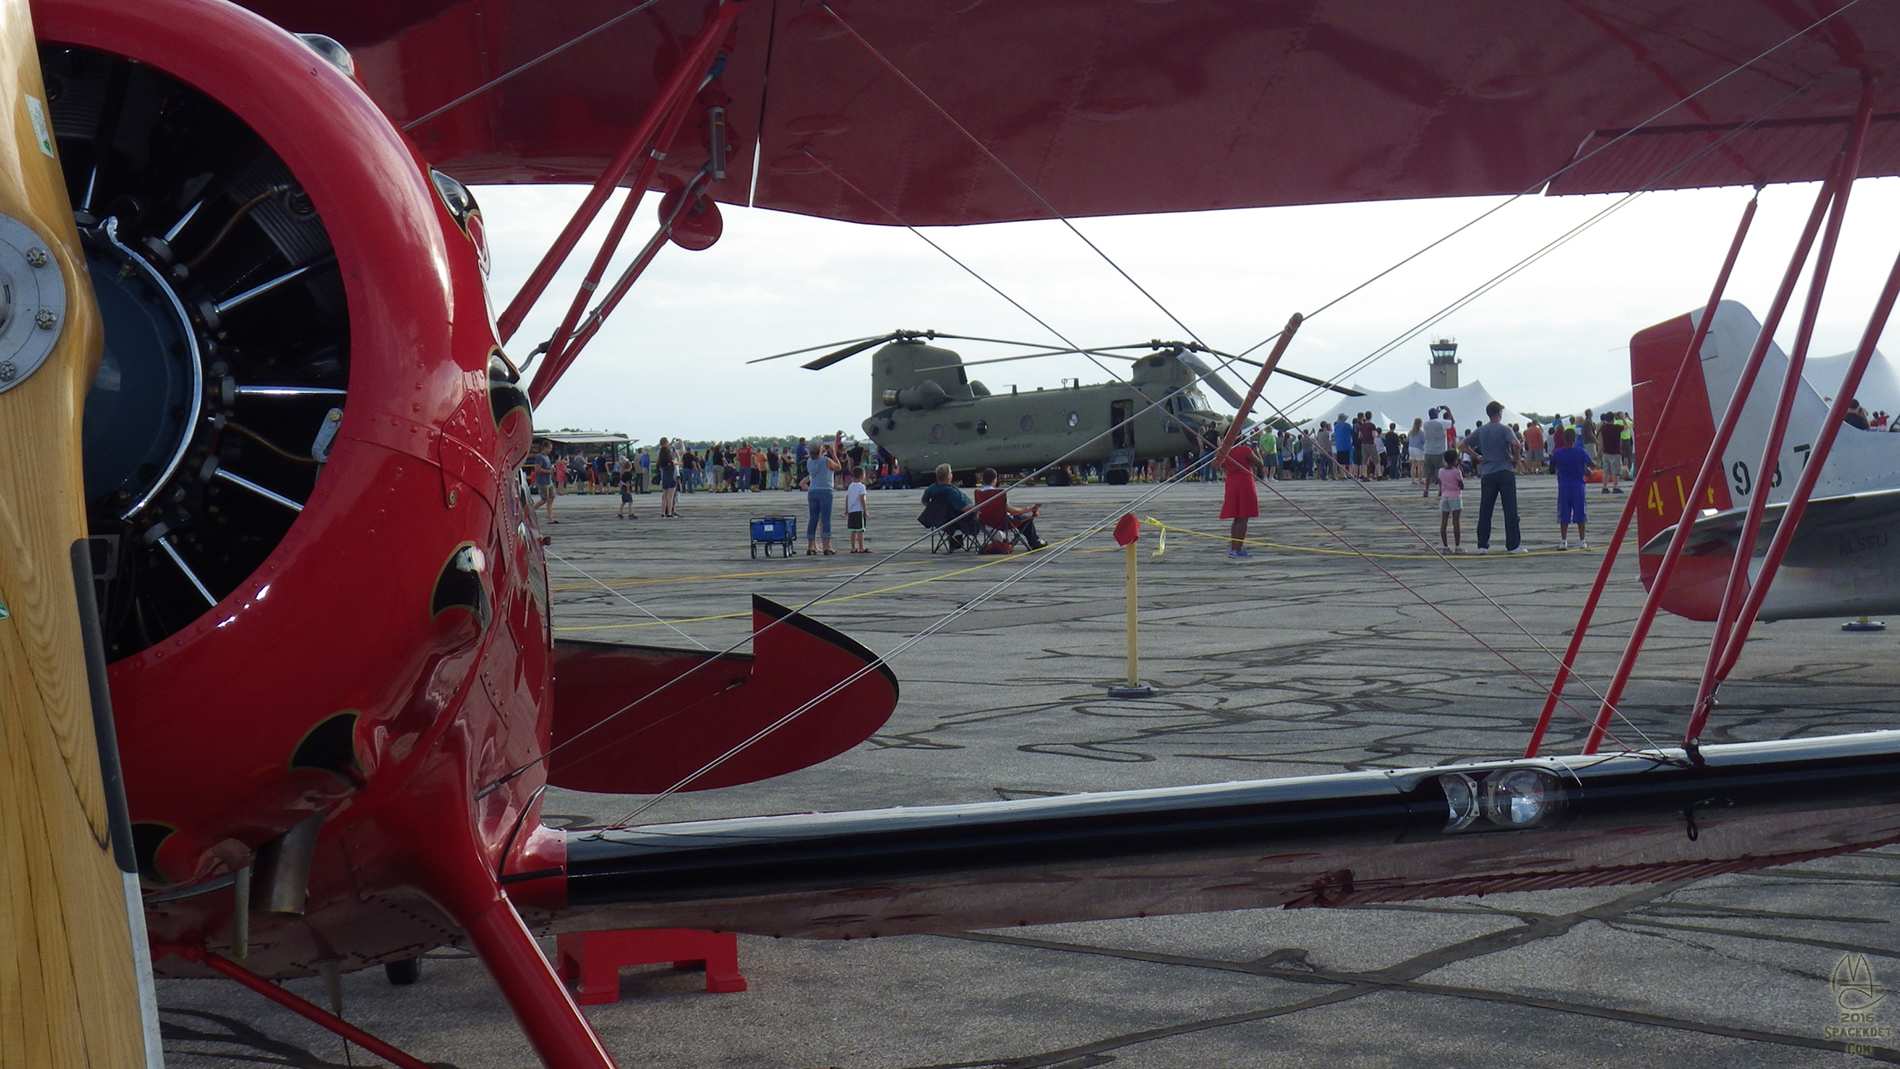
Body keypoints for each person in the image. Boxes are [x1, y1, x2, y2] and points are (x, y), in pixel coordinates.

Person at [1464, 401, 1525, 554]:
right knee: (1510, 509)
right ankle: (1512, 545)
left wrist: (1477, 457)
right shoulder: (1505, 429)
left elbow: (1463, 445)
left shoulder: (1481, 431)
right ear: (1499, 413)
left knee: (1485, 509)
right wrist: (1515, 459)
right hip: (1504, 469)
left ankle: (1482, 544)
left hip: (1488, 471)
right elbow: (1516, 444)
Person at [977, 468, 1046, 550]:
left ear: (983, 479)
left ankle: (1031, 540)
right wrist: (1023, 510)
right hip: (1003, 521)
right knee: (1026, 520)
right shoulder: (997, 493)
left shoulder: (979, 493)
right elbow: (1010, 510)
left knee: (1022, 519)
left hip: (986, 522)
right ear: (994, 480)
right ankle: (1034, 542)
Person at [1551, 428, 1595, 549]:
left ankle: (1563, 541)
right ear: (1574, 440)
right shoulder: (1580, 451)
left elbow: (1551, 466)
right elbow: (1593, 464)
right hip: (1578, 485)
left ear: (1563, 439)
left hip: (1564, 485)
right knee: (1580, 513)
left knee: (1563, 513)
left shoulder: (1558, 453)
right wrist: (1586, 469)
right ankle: (1582, 541)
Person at [920, 464, 978, 548]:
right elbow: (963, 508)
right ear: (948, 477)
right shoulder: (952, 491)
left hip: (940, 519)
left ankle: (954, 540)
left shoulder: (931, 489)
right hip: (958, 520)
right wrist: (977, 505)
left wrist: (936, 509)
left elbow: (924, 501)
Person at [1220, 438, 1260, 559]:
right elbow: (1260, 463)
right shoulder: (1245, 450)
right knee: (1243, 518)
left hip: (1231, 483)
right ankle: (1238, 549)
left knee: (1236, 518)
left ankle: (1234, 548)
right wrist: (1257, 451)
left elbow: (1219, 464)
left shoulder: (1225, 452)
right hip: (1244, 483)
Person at [804, 442, 842, 555]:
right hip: (825, 490)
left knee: (813, 518)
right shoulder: (826, 460)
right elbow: (838, 467)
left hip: (812, 491)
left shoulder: (809, 461)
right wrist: (833, 453)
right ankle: (827, 546)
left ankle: (811, 546)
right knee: (825, 519)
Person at [1436, 448, 1463, 553]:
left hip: (1444, 496)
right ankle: (1457, 547)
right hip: (1455, 496)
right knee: (1456, 522)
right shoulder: (1457, 472)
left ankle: (1446, 546)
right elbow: (1461, 485)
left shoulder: (1441, 471)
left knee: (1444, 522)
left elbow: (1439, 482)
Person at [1421, 407, 1449, 498]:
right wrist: (1447, 410)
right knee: (1440, 471)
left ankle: (1426, 490)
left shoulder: (1425, 424)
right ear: (1437, 414)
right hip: (1439, 450)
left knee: (1428, 473)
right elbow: (1452, 421)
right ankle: (1441, 490)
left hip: (1428, 450)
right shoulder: (1441, 423)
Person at [529, 441, 558, 524]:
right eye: (549, 448)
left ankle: (550, 518)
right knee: (544, 499)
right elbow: (537, 469)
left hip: (549, 481)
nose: (550, 450)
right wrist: (548, 472)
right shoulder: (539, 457)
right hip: (542, 481)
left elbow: (548, 466)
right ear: (544, 447)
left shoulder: (547, 457)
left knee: (551, 499)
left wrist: (552, 469)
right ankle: (530, 512)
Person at [846, 467, 871, 552]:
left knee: (853, 530)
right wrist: (865, 510)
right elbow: (862, 499)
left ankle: (853, 547)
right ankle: (861, 547)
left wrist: (846, 509)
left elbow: (847, 498)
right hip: (859, 510)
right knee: (860, 530)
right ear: (862, 476)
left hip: (851, 510)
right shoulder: (861, 486)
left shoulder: (850, 486)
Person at [656, 437, 678, 517]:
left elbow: (665, 452)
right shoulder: (671, 462)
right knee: (670, 497)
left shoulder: (661, 462)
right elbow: (679, 462)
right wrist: (676, 454)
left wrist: (671, 443)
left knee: (664, 497)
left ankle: (662, 512)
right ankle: (669, 512)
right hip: (671, 479)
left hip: (664, 479)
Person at [616, 454, 636, 519]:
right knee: (630, 501)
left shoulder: (623, 474)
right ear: (630, 467)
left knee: (623, 502)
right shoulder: (629, 474)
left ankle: (620, 513)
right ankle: (630, 513)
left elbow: (621, 481)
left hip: (622, 489)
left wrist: (624, 485)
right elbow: (628, 482)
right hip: (626, 489)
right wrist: (628, 489)